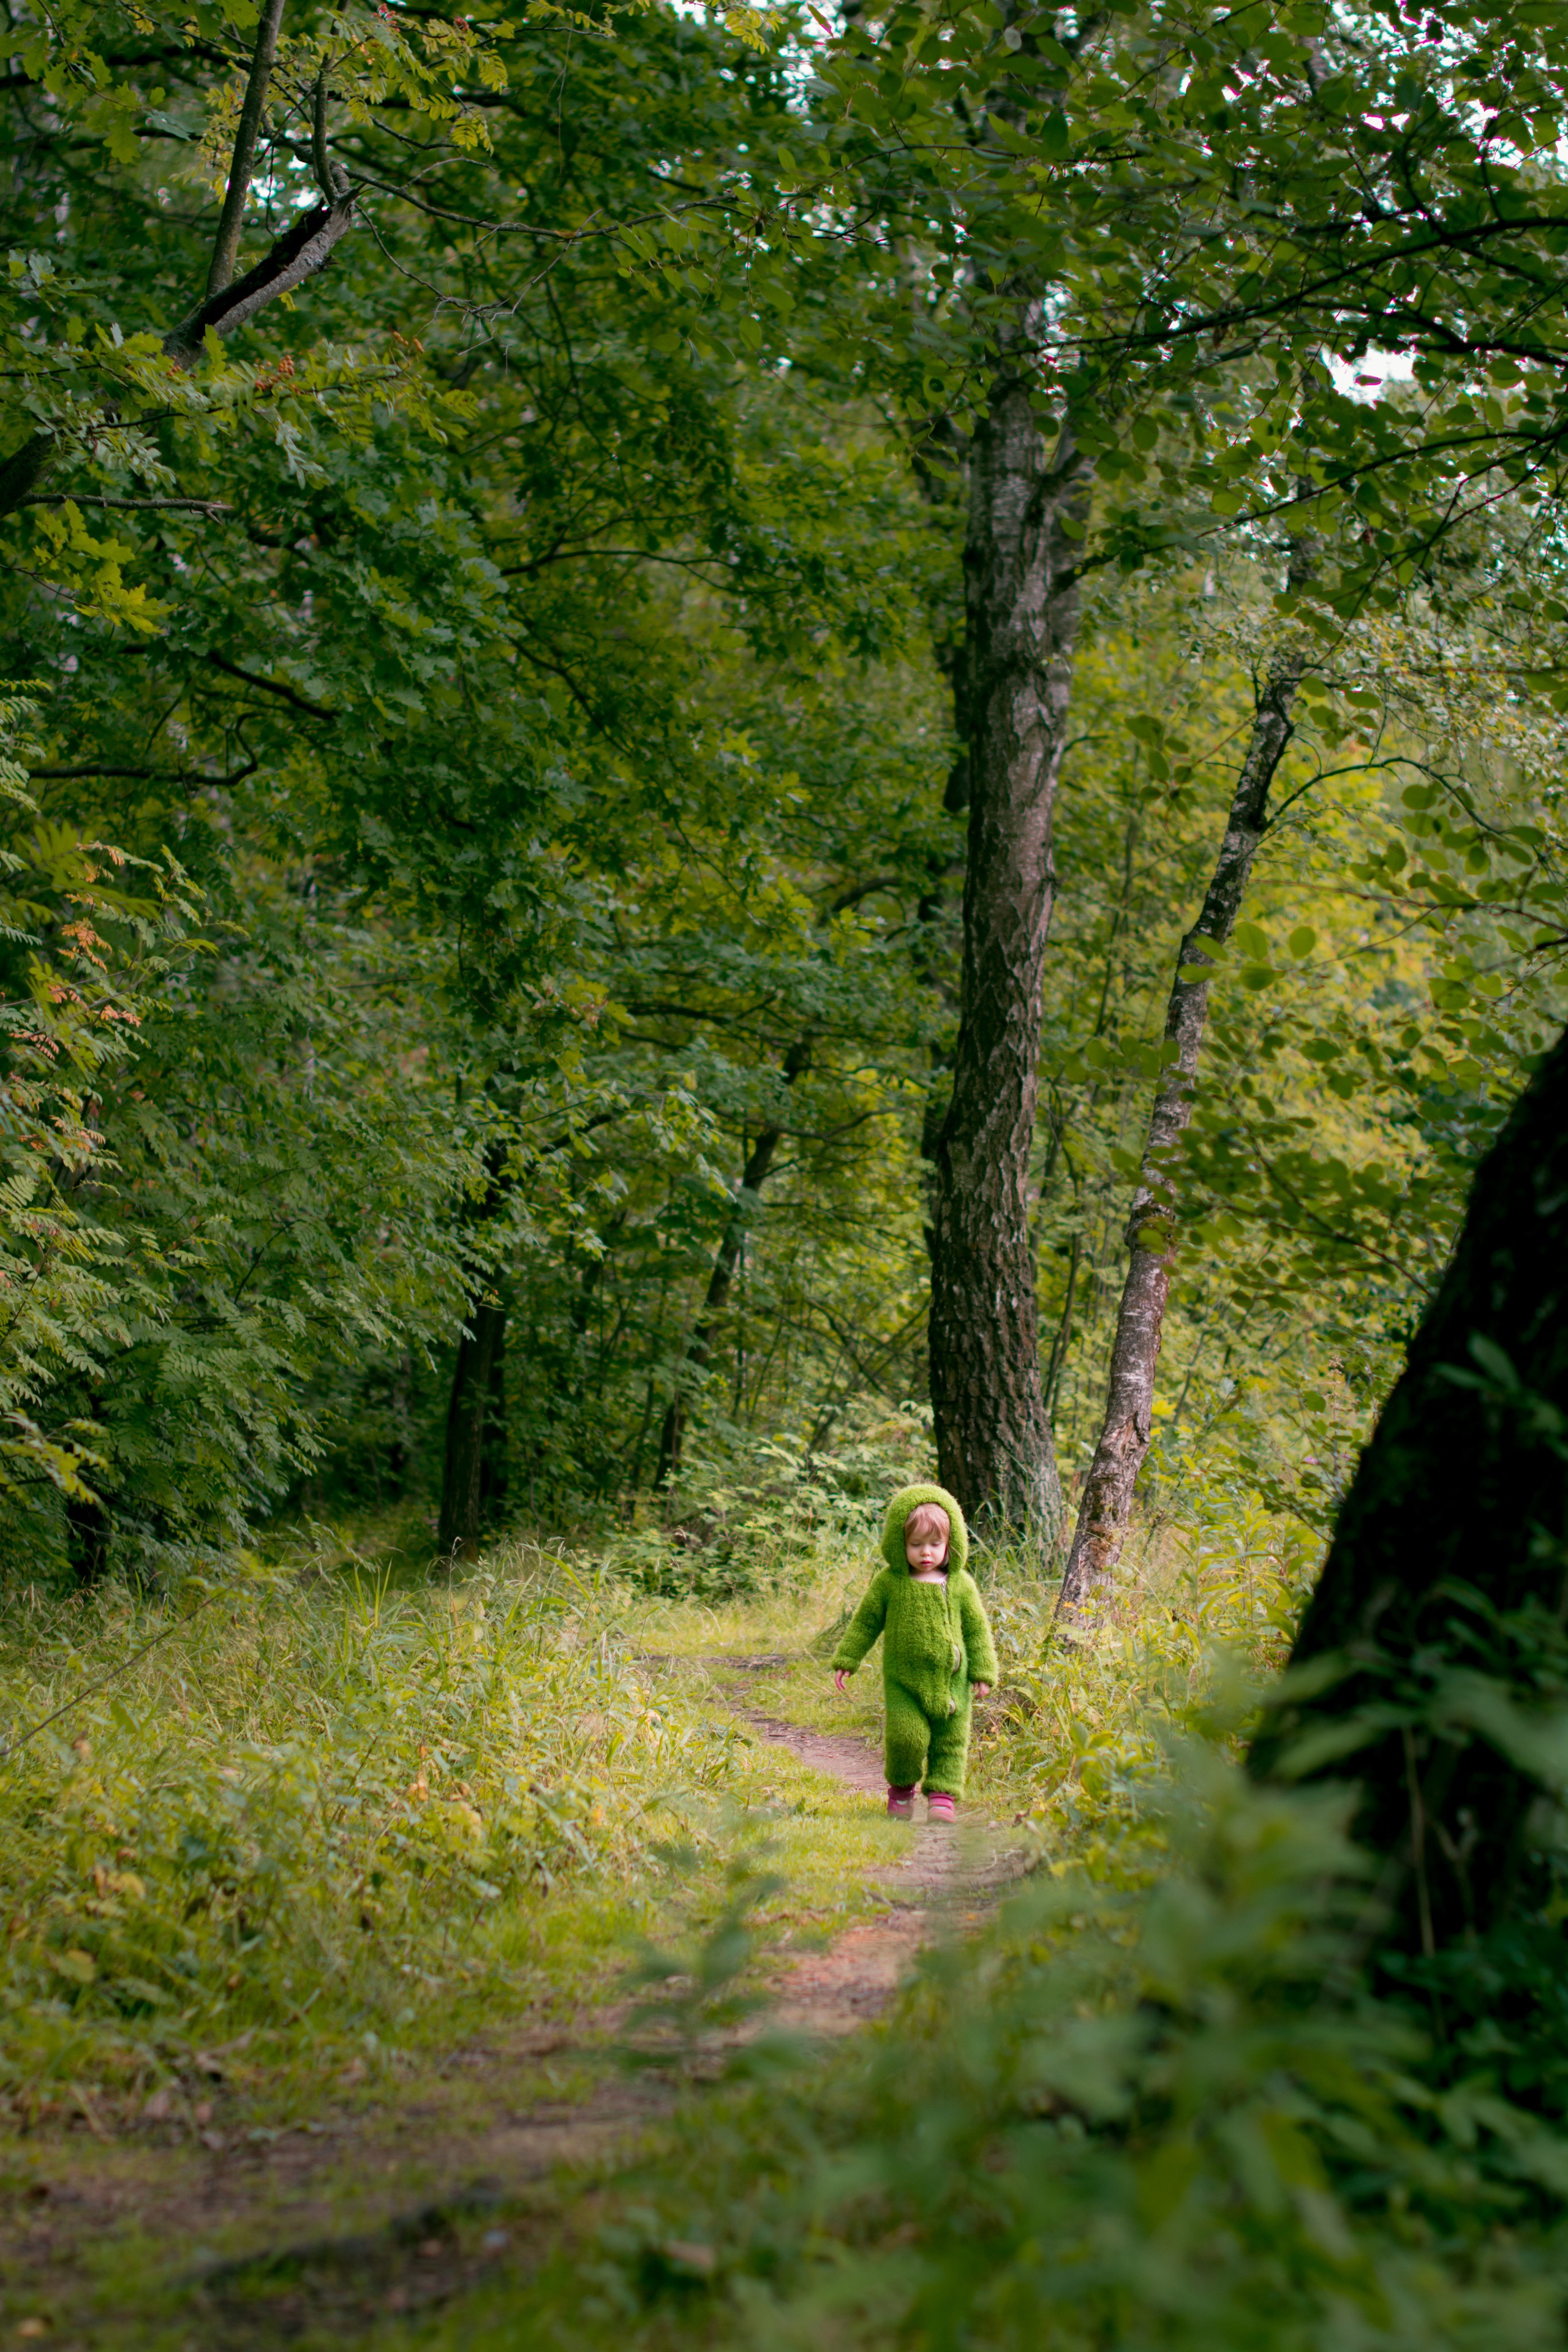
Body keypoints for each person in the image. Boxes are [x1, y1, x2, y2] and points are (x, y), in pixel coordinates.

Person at [830, 1482, 997, 1821]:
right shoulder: (890, 1582)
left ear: (951, 1543)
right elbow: (866, 1622)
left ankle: (942, 1798)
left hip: (953, 1682)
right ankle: (902, 1790)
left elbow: (977, 1631)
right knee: (906, 1737)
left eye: (935, 1544)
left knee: (950, 1742)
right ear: (900, 1543)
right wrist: (848, 1658)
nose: (926, 1553)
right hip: (904, 1682)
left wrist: (983, 1671)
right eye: (916, 1544)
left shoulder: (960, 1584)